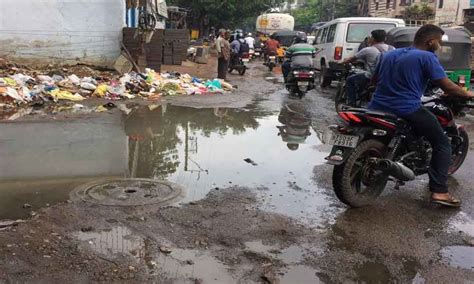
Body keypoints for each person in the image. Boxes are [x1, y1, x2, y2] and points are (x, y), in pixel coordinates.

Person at [369, 24, 474, 207]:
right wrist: (467, 94)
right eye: (439, 42)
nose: (439, 45)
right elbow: (446, 86)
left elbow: (374, 80)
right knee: (442, 143)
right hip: (405, 108)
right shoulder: (427, 57)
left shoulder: (390, 54)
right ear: (431, 41)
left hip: (376, 106)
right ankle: (440, 193)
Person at [343, 29, 394, 106]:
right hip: (389, 77)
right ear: (385, 38)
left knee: (349, 80)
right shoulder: (392, 49)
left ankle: (351, 104)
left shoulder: (368, 50)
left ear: (373, 38)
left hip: (372, 77)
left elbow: (352, 59)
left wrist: (343, 61)